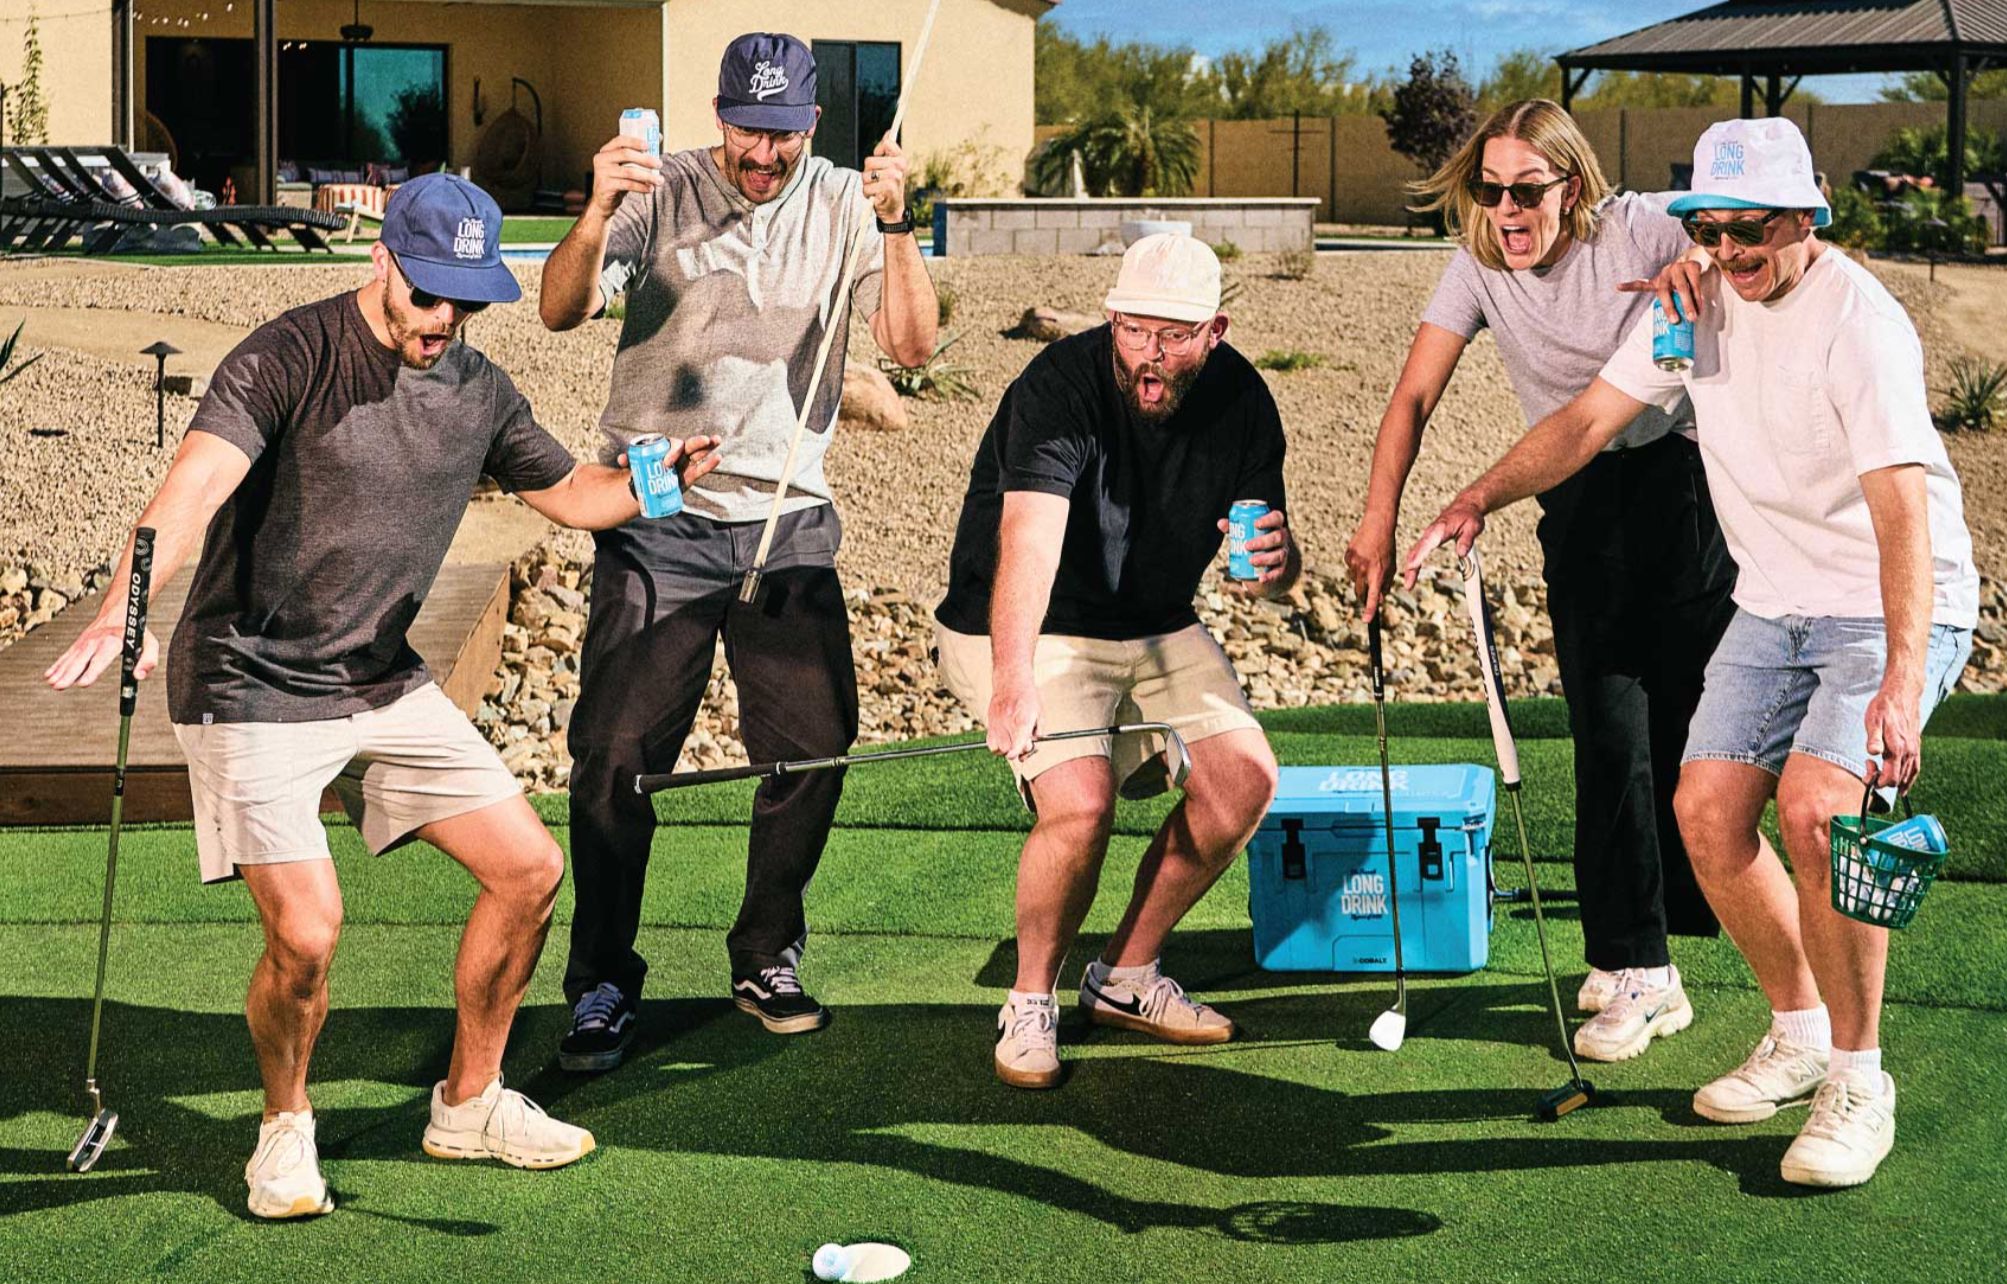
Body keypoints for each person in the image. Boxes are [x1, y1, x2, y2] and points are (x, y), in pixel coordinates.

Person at [43, 174, 722, 1218]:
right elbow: (192, 489)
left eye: (466, 300)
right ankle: (284, 1128)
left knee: (529, 870)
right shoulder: (288, 355)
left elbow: (573, 495)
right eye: (427, 293)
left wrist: (656, 480)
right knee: (308, 936)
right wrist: (120, 613)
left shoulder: (478, 389)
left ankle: (469, 1103)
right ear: (382, 261)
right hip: (251, 682)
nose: (444, 319)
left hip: (378, 678)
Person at [1405, 119, 1977, 1188]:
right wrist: (1475, 498)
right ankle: (1800, 1031)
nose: (1726, 248)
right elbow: (1587, 422)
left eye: (1748, 228)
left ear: (1804, 216)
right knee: (1707, 813)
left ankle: (1861, 1081)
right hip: (1774, 604)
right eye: (1707, 228)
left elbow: (1902, 508)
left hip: (1885, 603)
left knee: (1818, 812)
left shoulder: (1859, 321)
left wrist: (1902, 681)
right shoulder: (1693, 305)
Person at [537, 33, 937, 1069]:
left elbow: (910, 347)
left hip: (785, 517)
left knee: (815, 745)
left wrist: (898, 224)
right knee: (615, 760)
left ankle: (765, 953)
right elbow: (560, 310)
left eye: (784, 133)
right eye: (748, 132)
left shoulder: (845, 200)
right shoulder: (661, 188)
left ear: (813, 123)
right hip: (654, 511)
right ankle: (602, 980)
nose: (764, 154)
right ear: (720, 117)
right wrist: (595, 210)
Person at [1347, 99, 1735, 1065]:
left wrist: (1702, 260)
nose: (1507, 211)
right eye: (1490, 191)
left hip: (1688, 488)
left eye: (1527, 191)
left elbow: (1751, 232)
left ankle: (1670, 938)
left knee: (1687, 732)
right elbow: (1414, 393)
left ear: (1574, 184)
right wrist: (1377, 518)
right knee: (1608, 731)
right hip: (1576, 492)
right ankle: (1634, 962)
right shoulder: (1479, 260)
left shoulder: (1640, 226)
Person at [933, 233, 1297, 1089]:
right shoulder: (1058, 386)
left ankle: (1126, 975)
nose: (1150, 354)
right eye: (1133, 331)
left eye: (1173, 336)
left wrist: (1280, 569)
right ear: (1109, 319)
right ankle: (1030, 1001)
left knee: (1245, 782)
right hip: (1030, 622)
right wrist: (1013, 682)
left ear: (1216, 331)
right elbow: (1028, 541)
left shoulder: (1244, 400)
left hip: (1155, 623)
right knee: (1081, 803)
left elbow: (1266, 568)